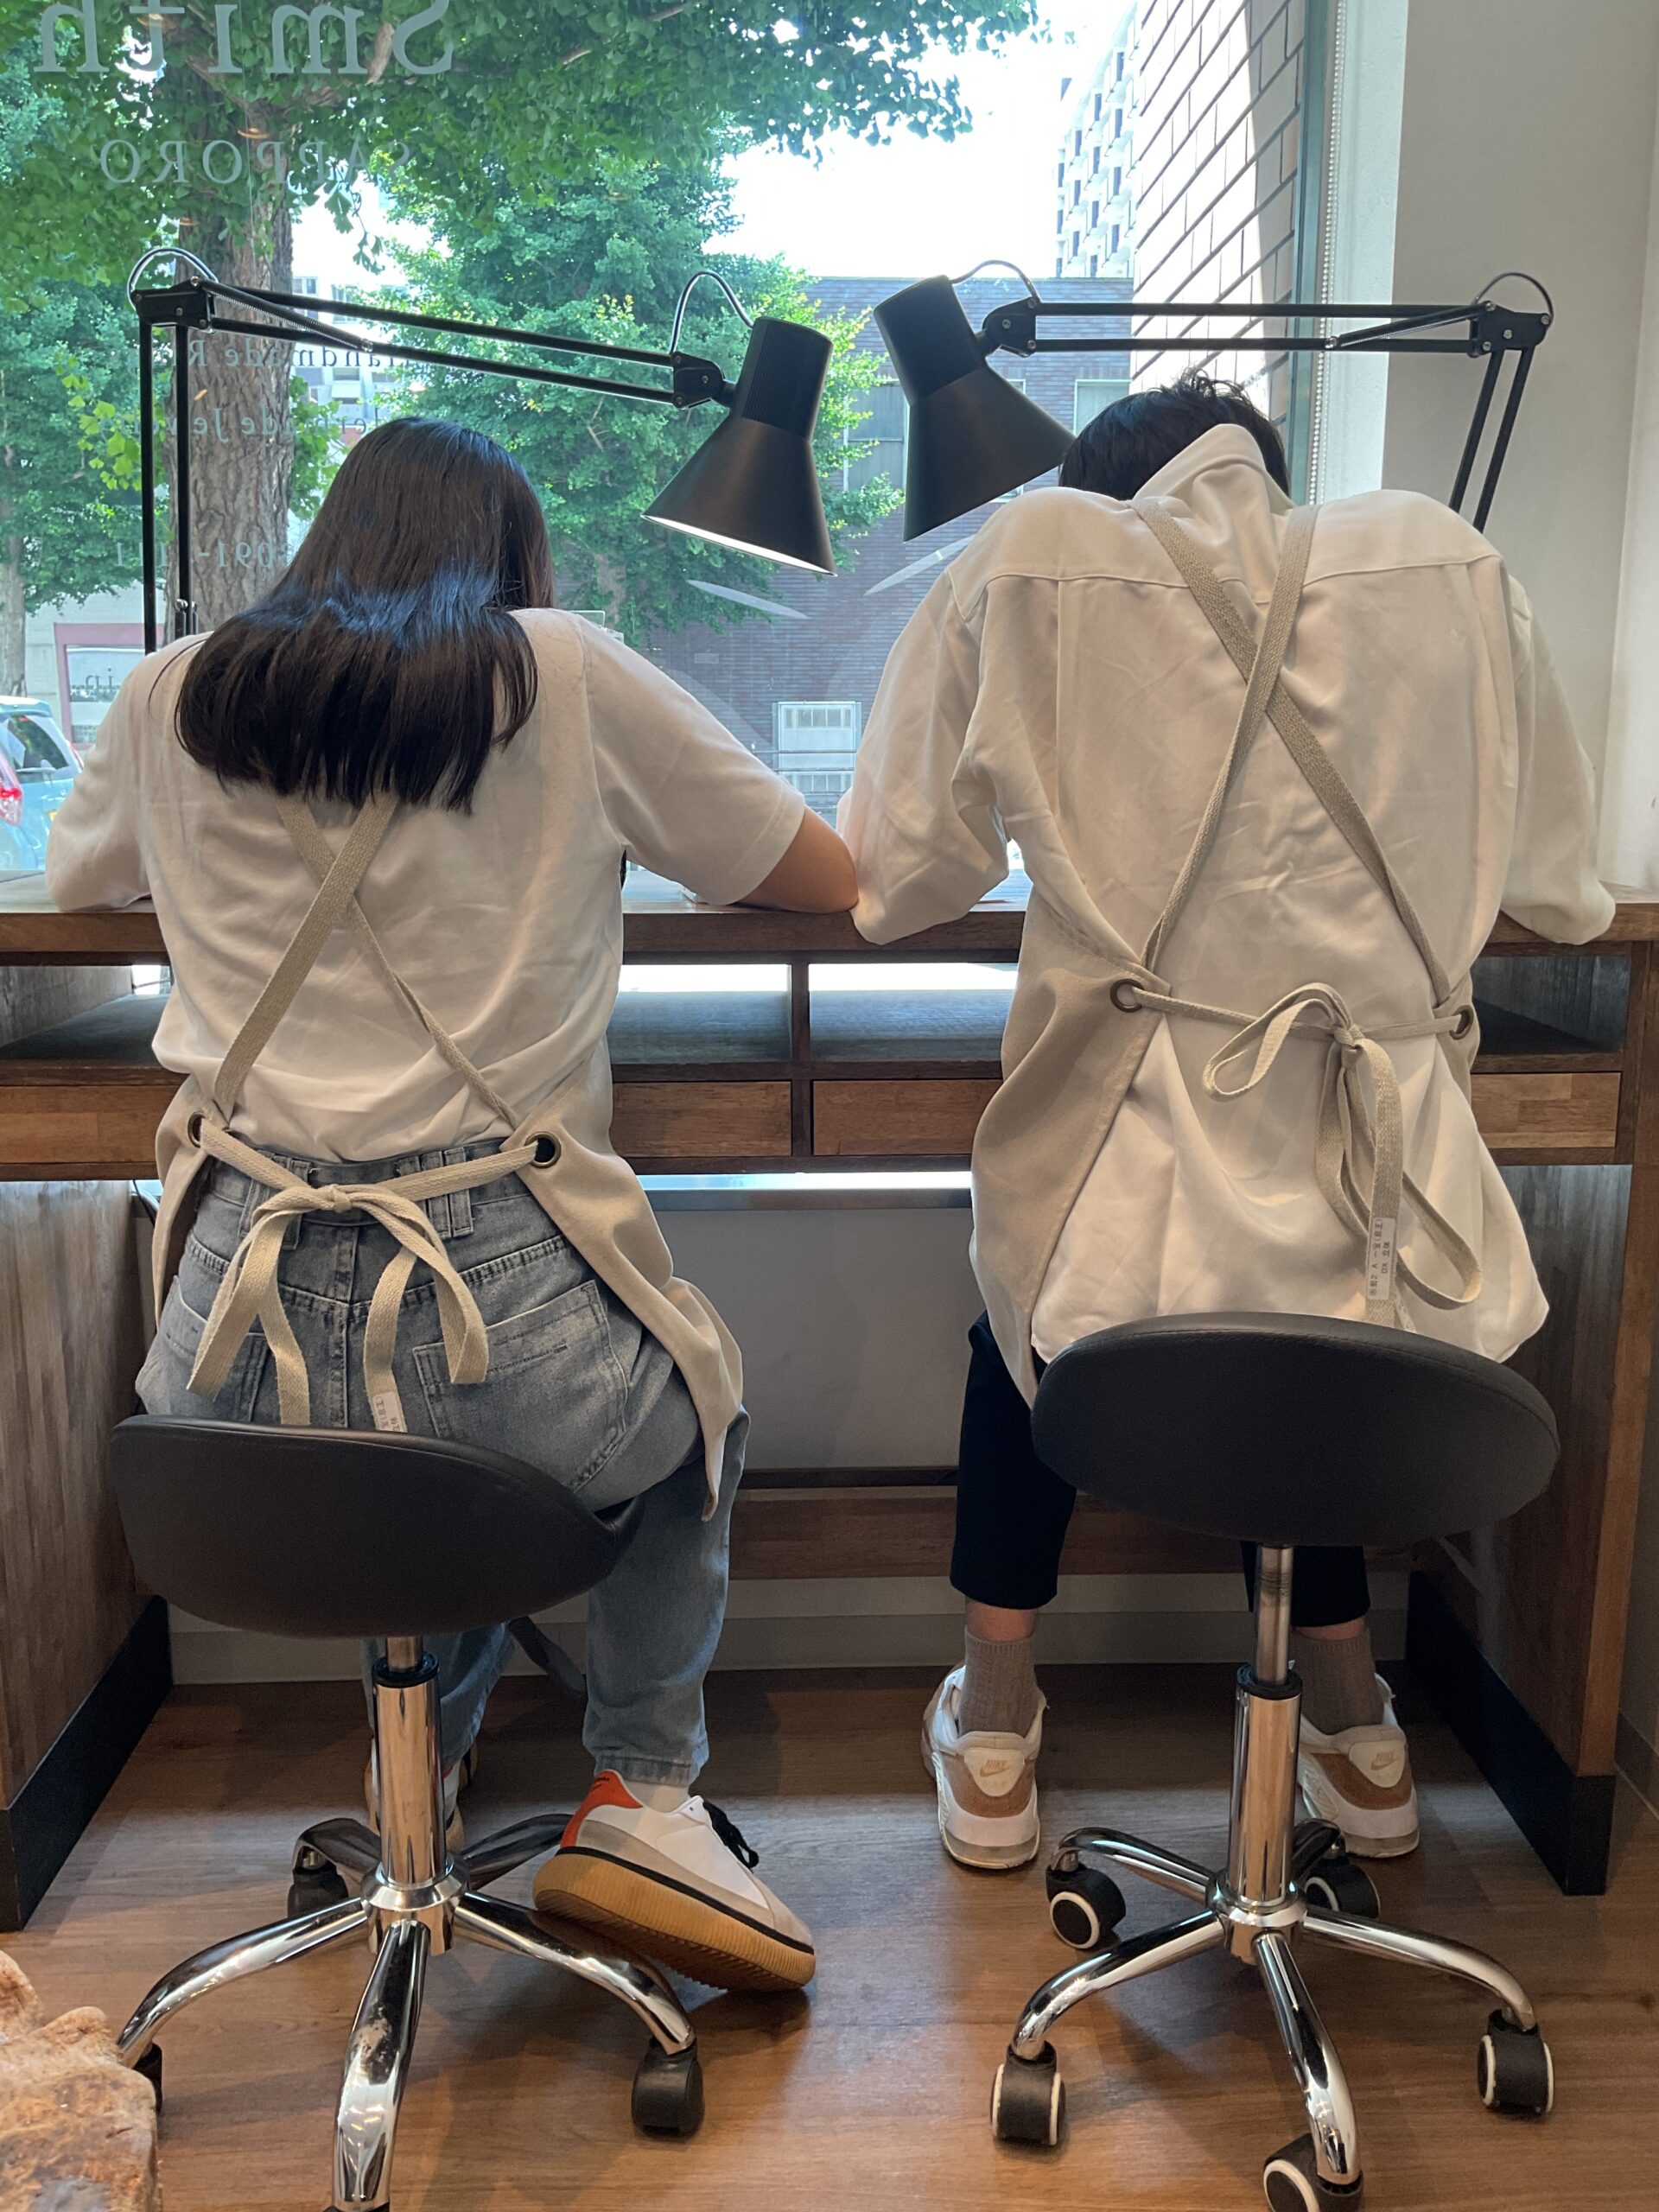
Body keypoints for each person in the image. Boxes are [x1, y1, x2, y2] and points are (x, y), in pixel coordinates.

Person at [48, 417, 857, 1993]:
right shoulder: (560, 670)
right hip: (501, 1299)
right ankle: (641, 1798)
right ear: (512, 556)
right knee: (685, 1413)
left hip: (226, 1356)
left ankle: (417, 1761)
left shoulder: (174, 691)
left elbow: (78, 882)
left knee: (401, 1457)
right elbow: (814, 872)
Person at [839, 371, 1612, 1872]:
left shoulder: (1037, 560)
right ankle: (1357, 1724)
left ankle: (995, 1729)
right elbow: (1563, 890)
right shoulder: (1439, 560)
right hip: (1382, 1177)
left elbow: (901, 875)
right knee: (1317, 1331)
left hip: (1127, 1173)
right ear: (1270, 478)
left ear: (1112, 498)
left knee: (1031, 1320)